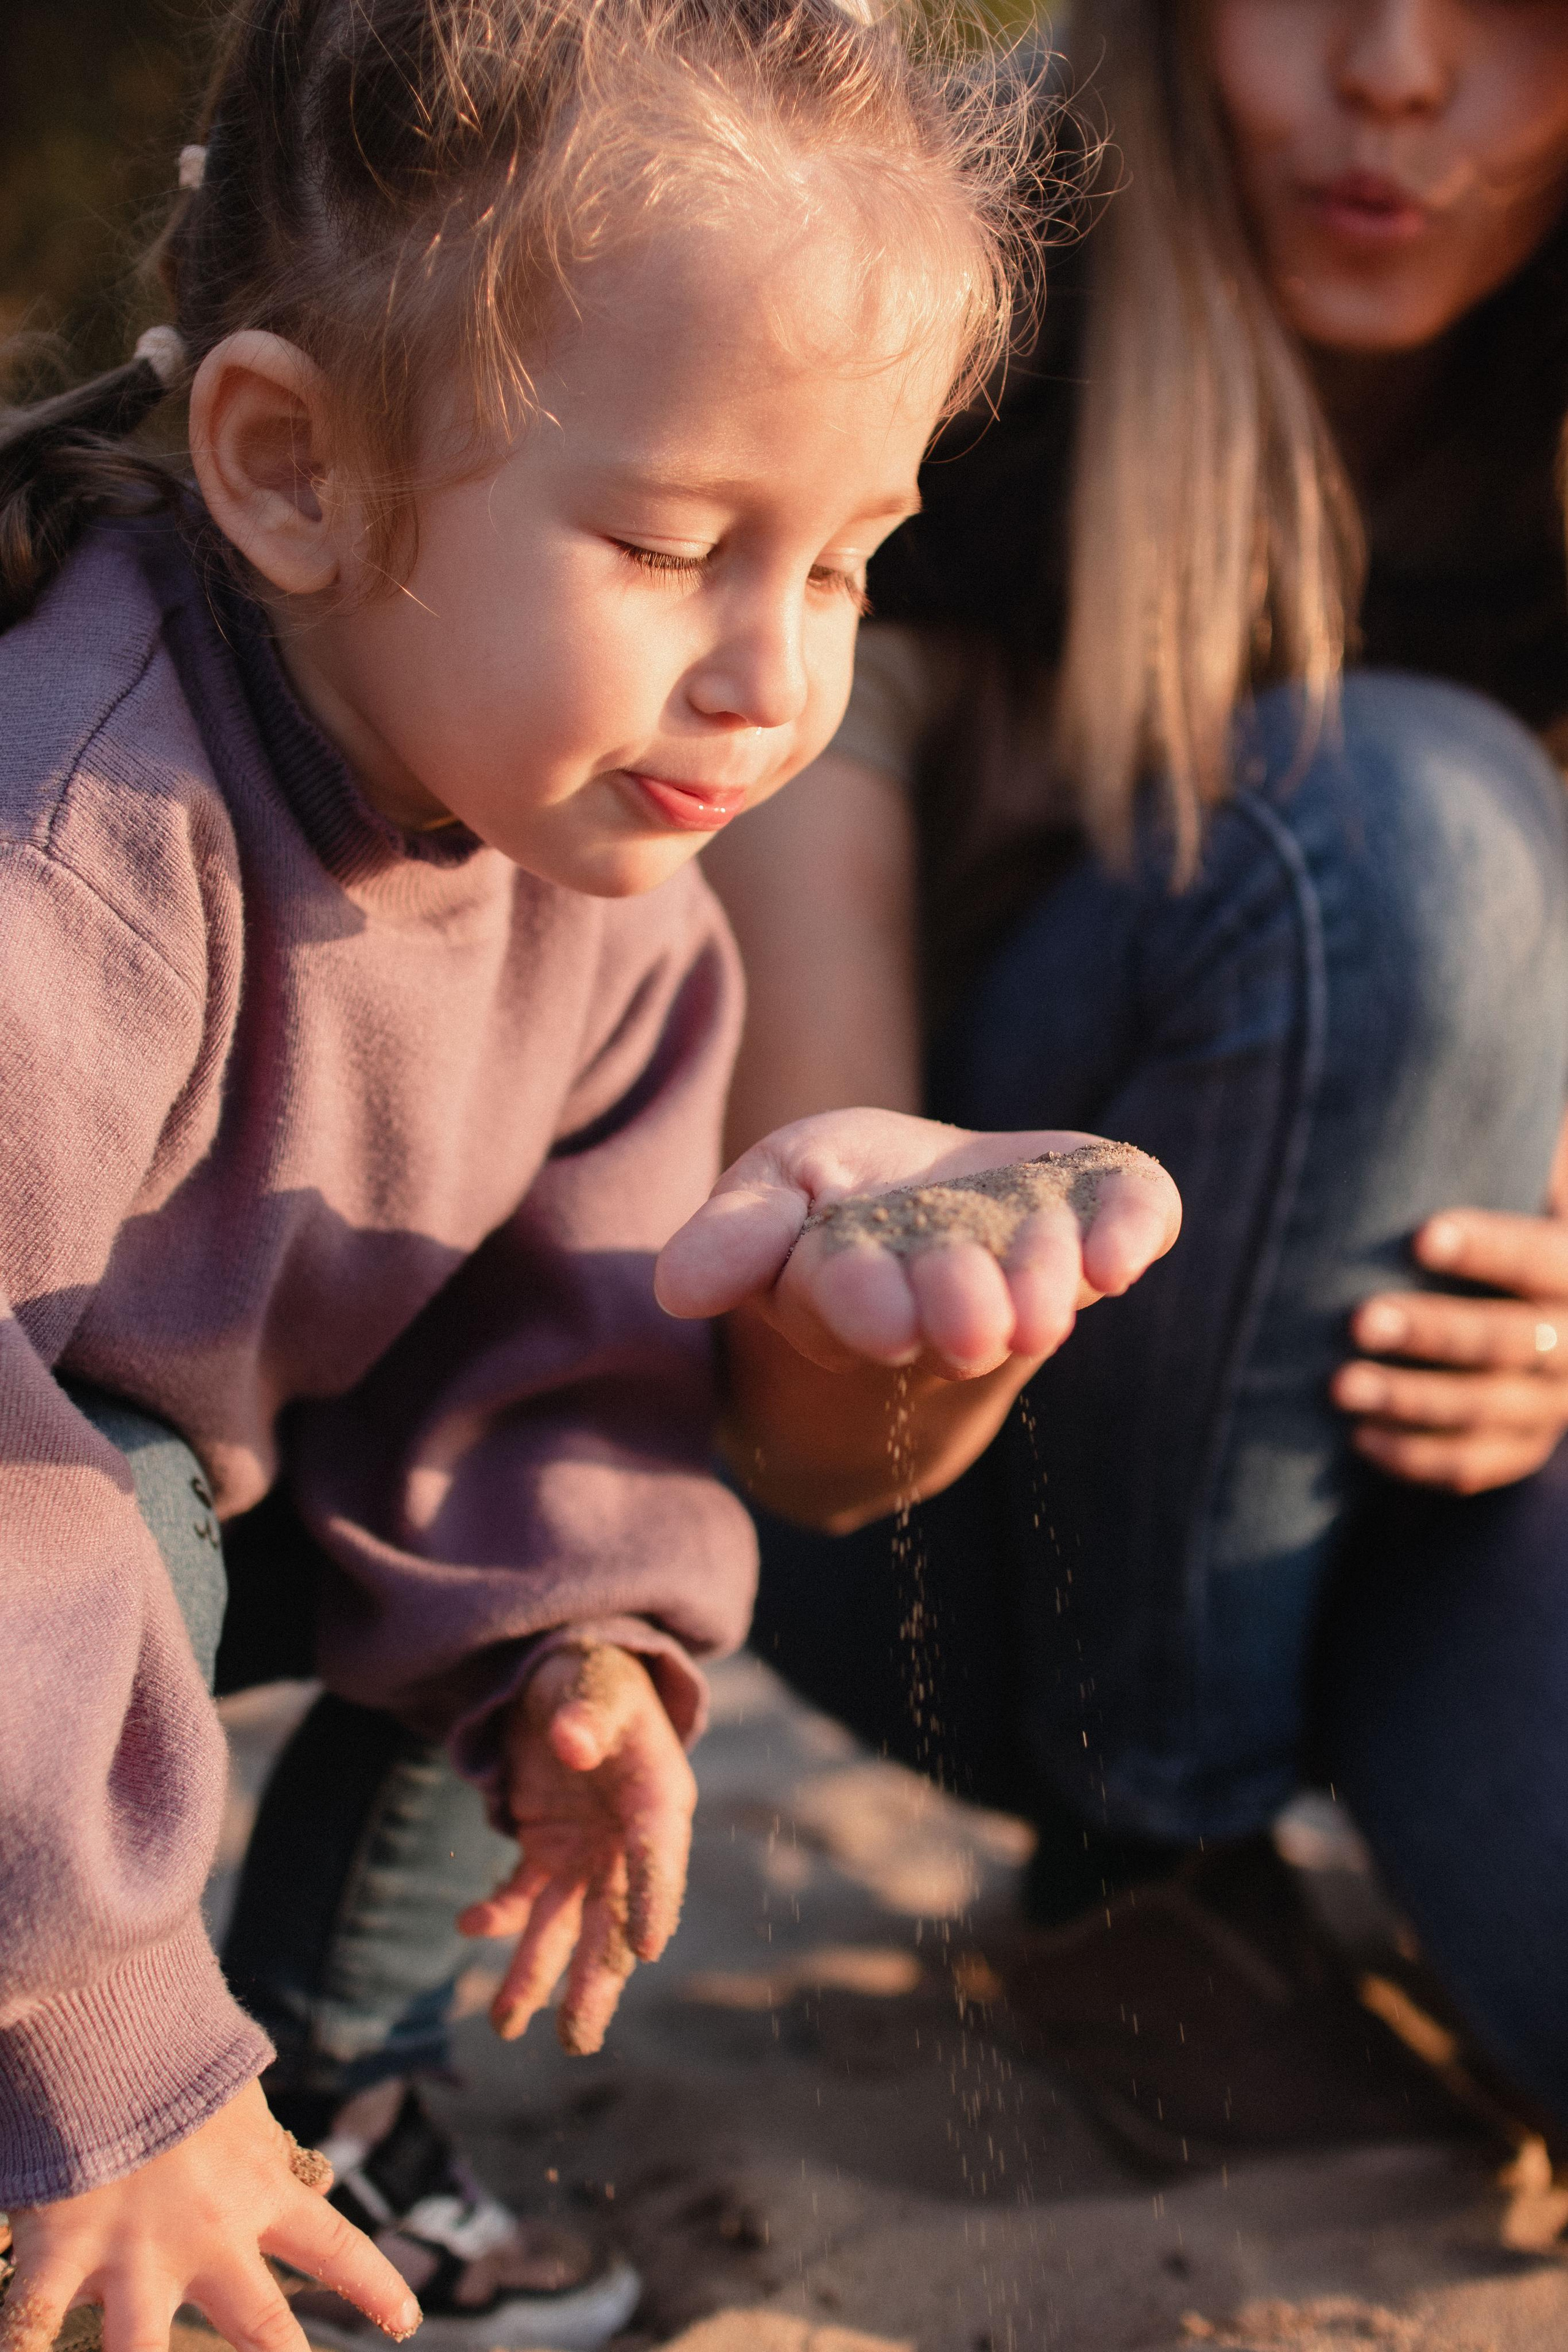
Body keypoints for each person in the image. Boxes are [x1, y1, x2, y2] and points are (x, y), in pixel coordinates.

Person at [0, 3, 1186, 2348]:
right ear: (291, 469)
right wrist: (101, 2041)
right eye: (670, 544)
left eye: (849, 564)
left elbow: (555, 1346)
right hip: (50, 1498)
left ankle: (319, 2114)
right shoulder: (83, 853)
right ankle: (90, 2135)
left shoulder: (599, 848)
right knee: (99, 1494)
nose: (769, 674)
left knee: (560, 1610)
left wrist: (584, 1640)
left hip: (203, 1480)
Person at [706, 0, 1568, 2162]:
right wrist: (906, 1260)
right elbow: (819, 1424)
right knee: (1402, 839)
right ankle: (1149, 1875)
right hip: (992, 1538)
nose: (1392, 70)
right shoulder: (930, 328)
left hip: (1414, 1465)